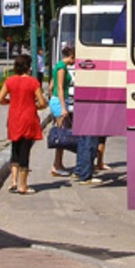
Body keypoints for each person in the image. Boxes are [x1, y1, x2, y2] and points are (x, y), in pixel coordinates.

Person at [0, 53, 47, 194]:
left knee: (15, 149)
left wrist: (10, 102)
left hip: (14, 118)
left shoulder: (9, 81)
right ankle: (23, 186)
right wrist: (34, 105)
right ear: (28, 67)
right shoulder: (33, 82)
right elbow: (42, 103)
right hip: (28, 118)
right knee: (25, 151)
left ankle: (13, 181)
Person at [50, 46, 76, 177]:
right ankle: (56, 165)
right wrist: (63, 107)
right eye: (74, 58)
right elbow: (59, 87)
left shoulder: (58, 66)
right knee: (61, 136)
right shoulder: (62, 68)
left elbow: (51, 86)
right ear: (71, 56)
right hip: (61, 101)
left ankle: (59, 163)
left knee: (63, 134)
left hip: (57, 101)